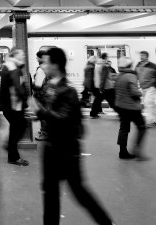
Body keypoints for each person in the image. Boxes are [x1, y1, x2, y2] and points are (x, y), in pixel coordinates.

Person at [29, 47, 115, 225]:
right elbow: (49, 112)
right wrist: (37, 113)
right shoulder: (49, 85)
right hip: (51, 148)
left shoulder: (68, 90)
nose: (42, 65)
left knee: (78, 191)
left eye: (45, 62)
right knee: (50, 192)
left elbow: (64, 119)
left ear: (55, 64)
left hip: (66, 150)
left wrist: (41, 111)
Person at [0, 48, 29, 166]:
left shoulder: (8, 65)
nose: (23, 56)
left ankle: (10, 149)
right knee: (20, 126)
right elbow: (18, 87)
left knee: (16, 128)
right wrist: (27, 102)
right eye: (21, 54)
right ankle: (12, 155)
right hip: (14, 105)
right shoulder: (13, 68)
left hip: (9, 105)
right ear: (14, 55)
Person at [115, 57, 147, 160]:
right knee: (142, 127)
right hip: (132, 107)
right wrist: (140, 92)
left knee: (124, 128)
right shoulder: (131, 76)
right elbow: (134, 92)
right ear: (130, 65)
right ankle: (137, 150)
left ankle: (122, 152)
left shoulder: (119, 76)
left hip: (120, 106)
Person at [136, 51, 156, 127]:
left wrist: (155, 86)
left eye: (143, 55)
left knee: (147, 102)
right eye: (141, 55)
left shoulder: (153, 66)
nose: (141, 57)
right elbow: (135, 75)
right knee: (151, 104)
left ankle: (149, 121)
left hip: (151, 87)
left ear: (147, 56)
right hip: (143, 88)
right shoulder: (138, 65)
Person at [32, 50, 49, 141]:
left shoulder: (41, 69)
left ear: (41, 58)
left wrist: (31, 84)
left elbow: (38, 84)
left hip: (41, 94)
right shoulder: (48, 66)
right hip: (47, 94)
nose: (36, 58)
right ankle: (45, 130)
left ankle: (44, 133)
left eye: (37, 57)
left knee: (43, 114)